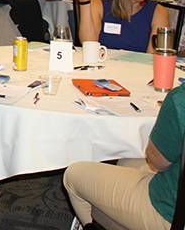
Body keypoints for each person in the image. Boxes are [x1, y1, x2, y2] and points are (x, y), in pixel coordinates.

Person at [64, 82, 184, 229]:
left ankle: (94, 223)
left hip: (170, 213)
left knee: (73, 175)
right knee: (127, 161)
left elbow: (157, 162)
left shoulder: (180, 99)